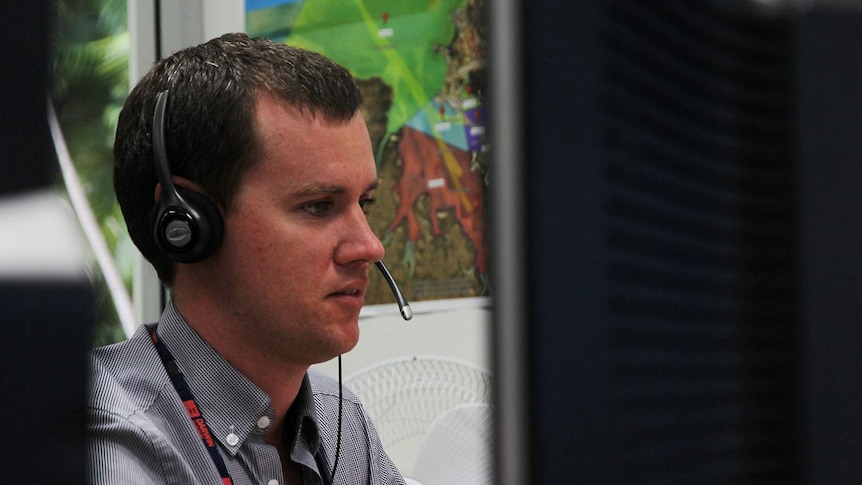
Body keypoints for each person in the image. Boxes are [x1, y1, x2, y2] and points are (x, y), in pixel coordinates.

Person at [88, 32, 407, 485]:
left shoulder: (342, 424)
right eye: (318, 206)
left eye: (366, 203)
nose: (369, 246)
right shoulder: (108, 441)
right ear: (188, 226)